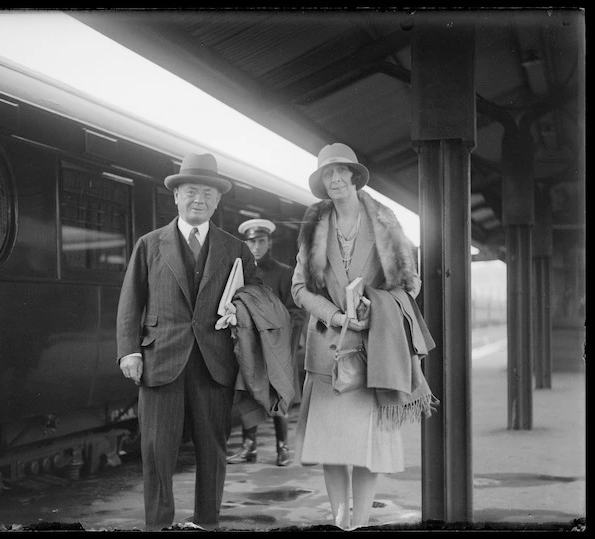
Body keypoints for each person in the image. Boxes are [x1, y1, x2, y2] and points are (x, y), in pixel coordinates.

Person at [291, 143, 436, 529]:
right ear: (322, 182)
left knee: (366, 448)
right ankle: (340, 522)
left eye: (342, 172)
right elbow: (299, 288)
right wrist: (336, 315)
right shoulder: (313, 226)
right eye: (328, 174)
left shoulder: (385, 223)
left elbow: (411, 283)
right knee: (332, 447)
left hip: (373, 351)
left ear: (355, 177)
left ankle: (360, 522)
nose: (335, 179)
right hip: (326, 352)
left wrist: (378, 305)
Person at [116, 152, 261, 530]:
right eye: (192, 192)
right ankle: (159, 524)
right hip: (160, 359)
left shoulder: (236, 249)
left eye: (208, 194)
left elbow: (257, 298)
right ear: (176, 196)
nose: (200, 200)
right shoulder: (150, 245)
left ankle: (207, 522)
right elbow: (131, 300)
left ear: (217, 201)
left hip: (215, 361)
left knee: (212, 448)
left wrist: (241, 311)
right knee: (156, 449)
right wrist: (129, 351)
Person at [226, 219, 305, 467]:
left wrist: (284, 343)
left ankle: (283, 447)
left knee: (279, 392)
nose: (256, 246)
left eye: (261, 241)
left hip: (278, 346)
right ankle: (248, 447)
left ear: (269, 242)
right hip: (250, 346)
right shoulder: (239, 272)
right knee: (250, 391)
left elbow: (297, 312)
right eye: (251, 242)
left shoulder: (284, 272)